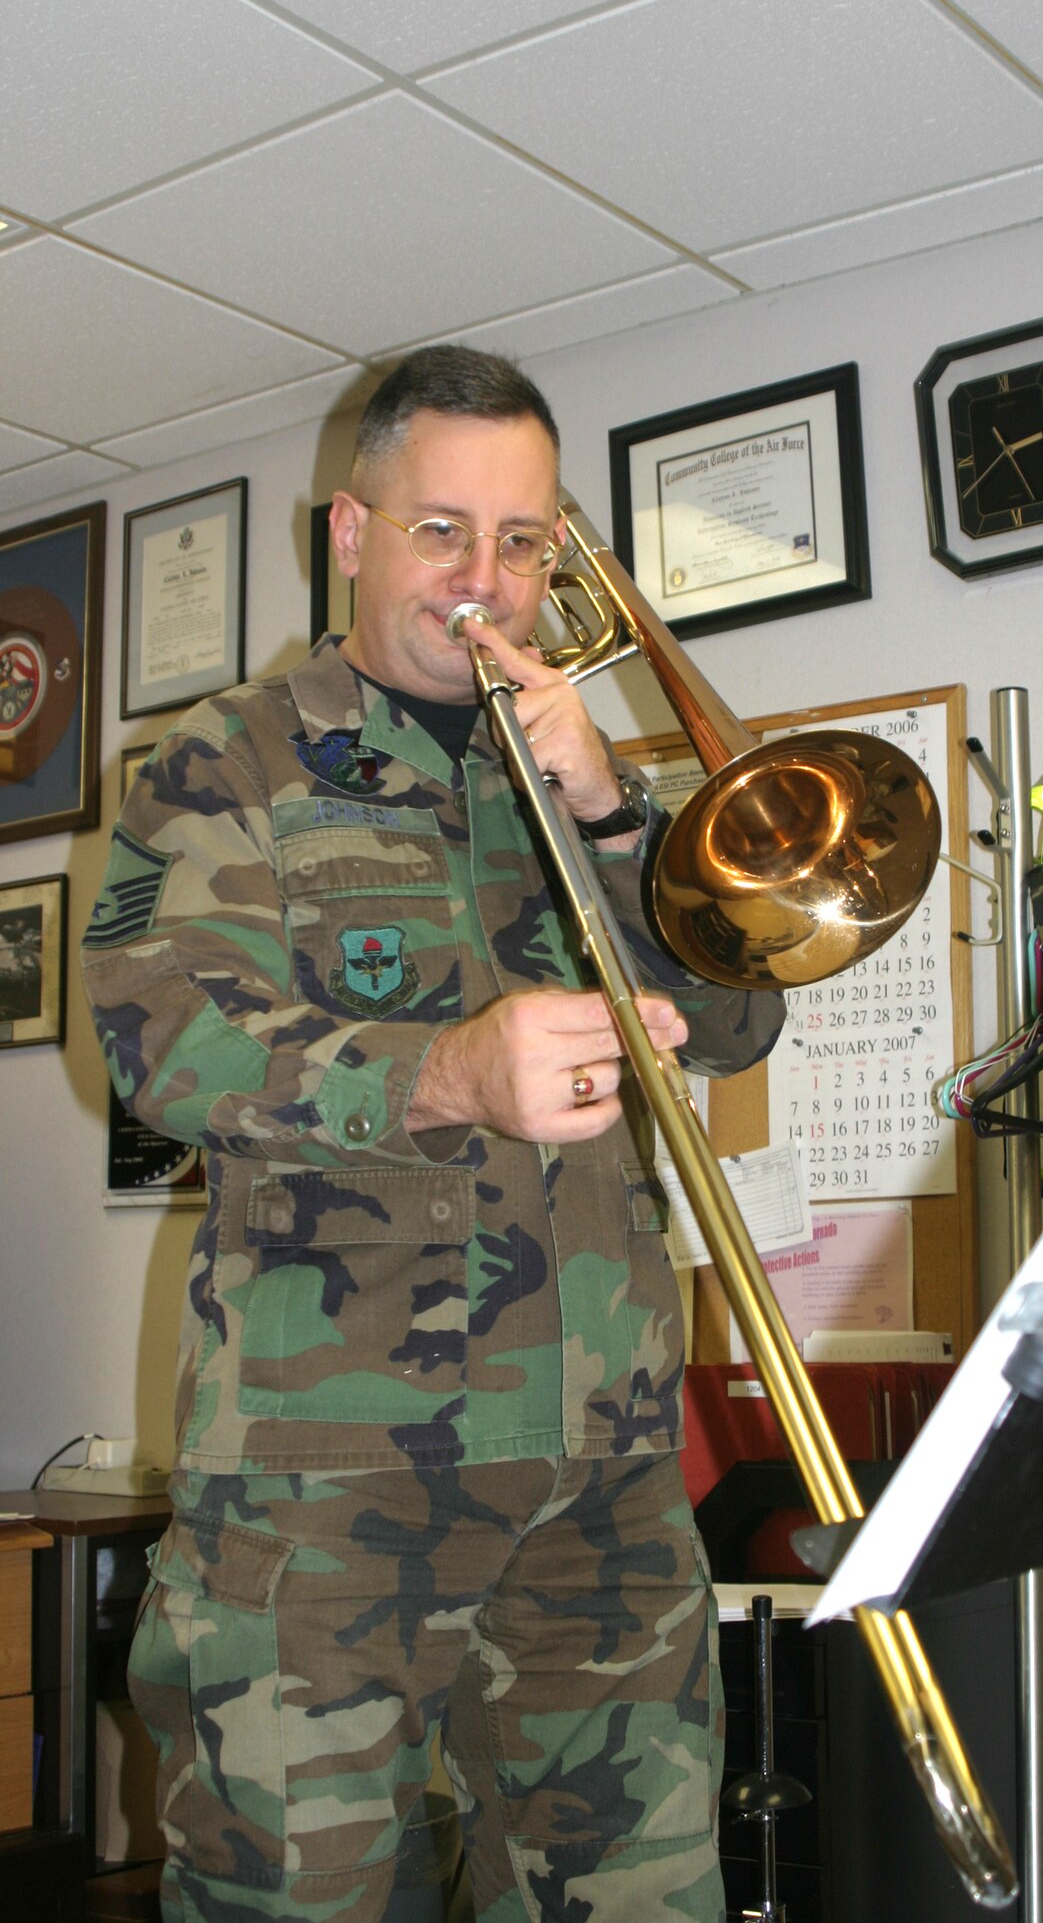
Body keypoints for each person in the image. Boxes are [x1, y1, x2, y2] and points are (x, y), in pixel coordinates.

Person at [82, 345, 785, 1923]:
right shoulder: (226, 762)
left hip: (603, 1477)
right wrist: (442, 1077)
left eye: (524, 541)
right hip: (326, 1494)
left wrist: (612, 815)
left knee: (642, 1902)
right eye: (440, 531)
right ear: (349, 532)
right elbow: (157, 1042)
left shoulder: (578, 777)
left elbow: (739, 1026)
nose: (486, 580)